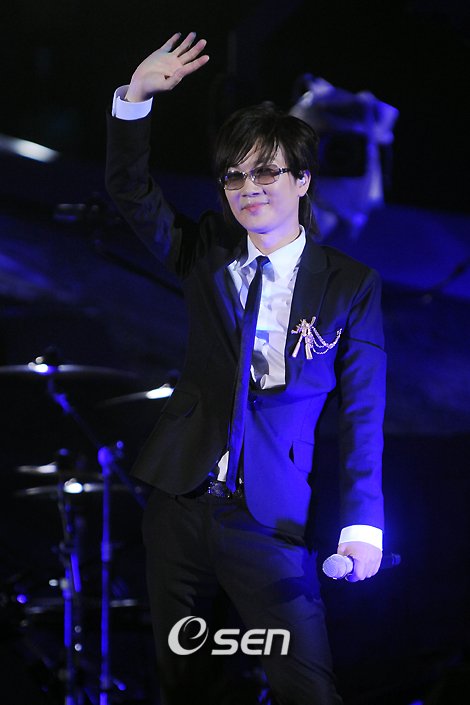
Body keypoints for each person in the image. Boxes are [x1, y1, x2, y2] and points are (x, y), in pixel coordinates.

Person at [106, 32, 386, 705]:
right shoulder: (205, 248)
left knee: (306, 687)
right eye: (234, 175)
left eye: (266, 172)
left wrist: (362, 526)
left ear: (303, 181)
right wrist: (135, 98)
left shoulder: (349, 284)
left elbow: (362, 413)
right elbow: (130, 190)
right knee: (187, 685)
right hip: (179, 503)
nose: (248, 187)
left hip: (270, 518)